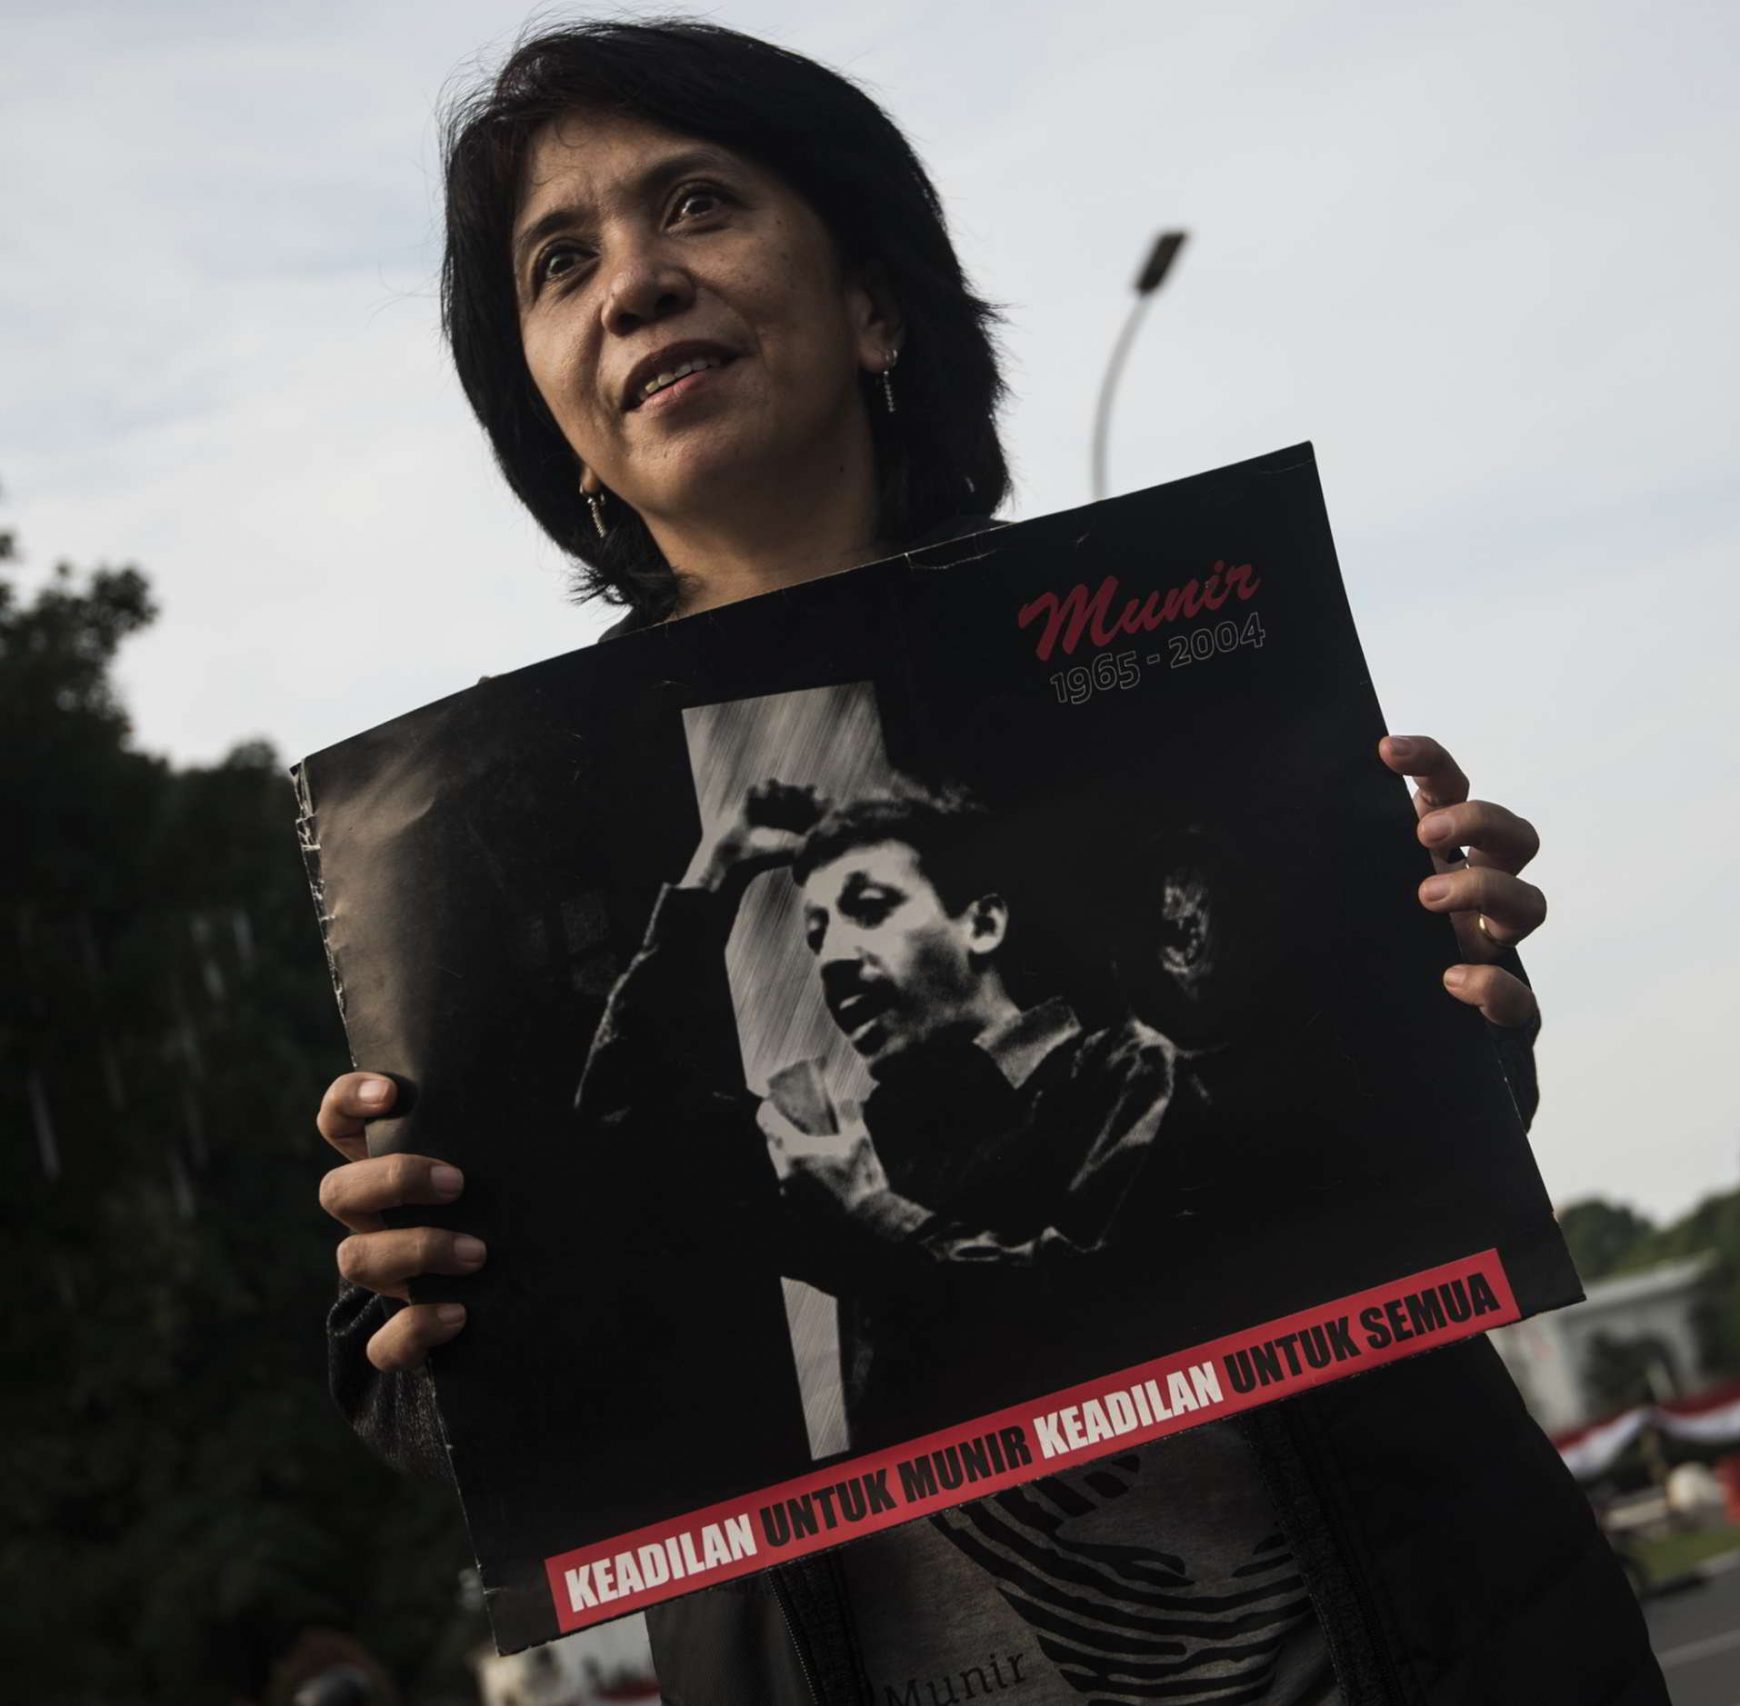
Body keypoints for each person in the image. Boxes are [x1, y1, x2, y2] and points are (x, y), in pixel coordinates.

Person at [311, 20, 1661, 1705]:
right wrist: (422, 1318)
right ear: (556, 420)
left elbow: (1372, 1166)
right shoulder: (473, 859)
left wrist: (1440, 991)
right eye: (559, 262)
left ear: (876, 305)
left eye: (700, 203)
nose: (636, 283)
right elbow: (516, 1382)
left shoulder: (1177, 678)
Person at [579, 778, 1196, 1445]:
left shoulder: (1122, 1073)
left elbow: (1108, 1330)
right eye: (817, 938)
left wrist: (871, 1216)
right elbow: (624, 1114)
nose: (832, 961)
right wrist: (717, 871)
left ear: (983, 924)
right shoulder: (861, 1147)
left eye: (869, 910)